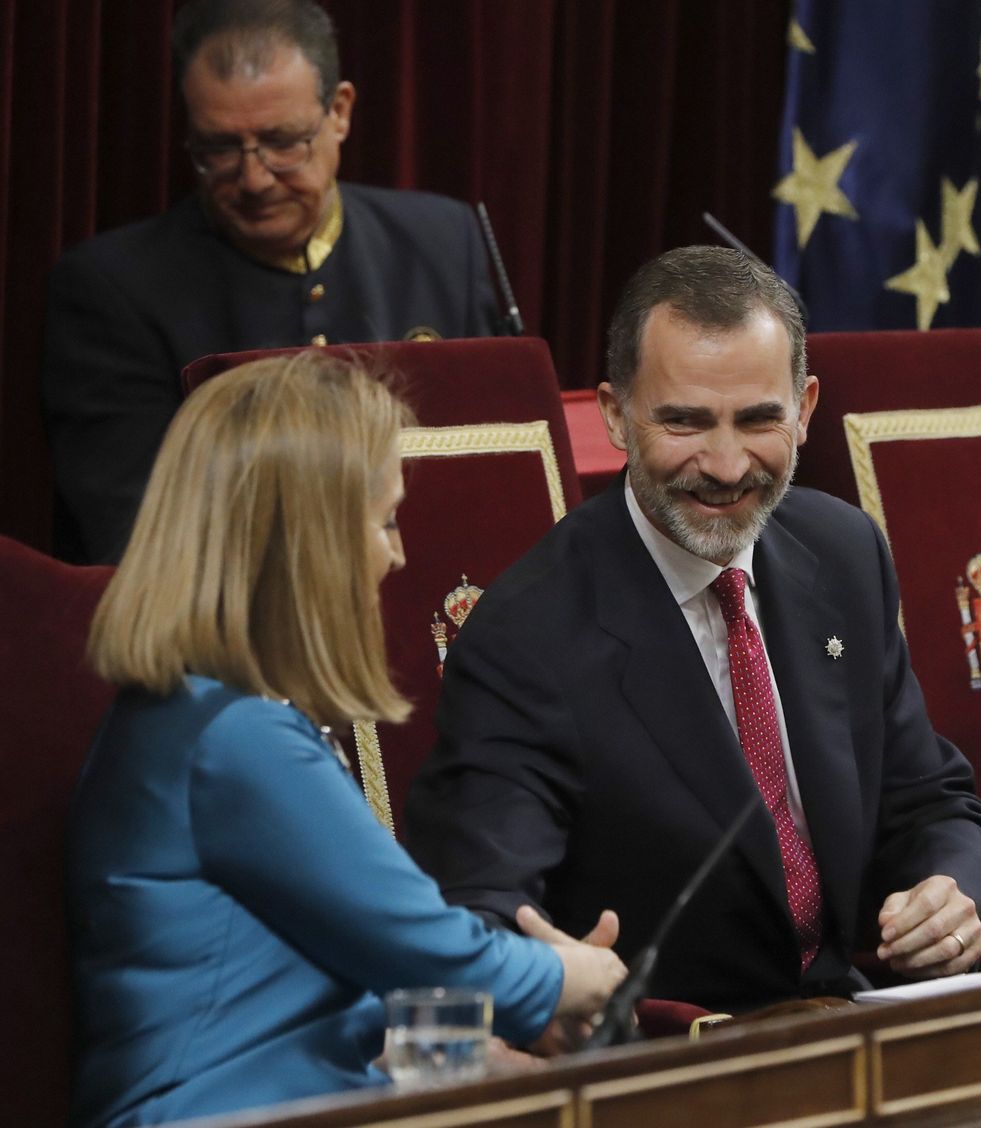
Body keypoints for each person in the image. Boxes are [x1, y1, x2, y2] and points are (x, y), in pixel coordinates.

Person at [405, 246, 981, 1013]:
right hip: (669, 1060)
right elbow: (485, 909)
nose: (725, 466)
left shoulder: (844, 552)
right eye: (685, 422)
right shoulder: (527, 636)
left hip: (853, 1022)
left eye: (759, 420)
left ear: (806, 408)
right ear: (615, 415)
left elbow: (934, 801)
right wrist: (544, 976)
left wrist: (947, 895)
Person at [66, 352, 625, 1128]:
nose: (397, 554)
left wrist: (490, 1035)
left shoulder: (202, 713)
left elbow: (326, 985)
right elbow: (434, 953)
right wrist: (576, 976)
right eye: (386, 520)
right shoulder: (238, 737)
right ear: (310, 543)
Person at [43, 0, 501, 565]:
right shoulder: (111, 289)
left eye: (283, 142)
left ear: (340, 111)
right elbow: (133, 541)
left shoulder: (442, 242)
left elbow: (491, 470)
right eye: (219, 149)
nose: (255, 179)